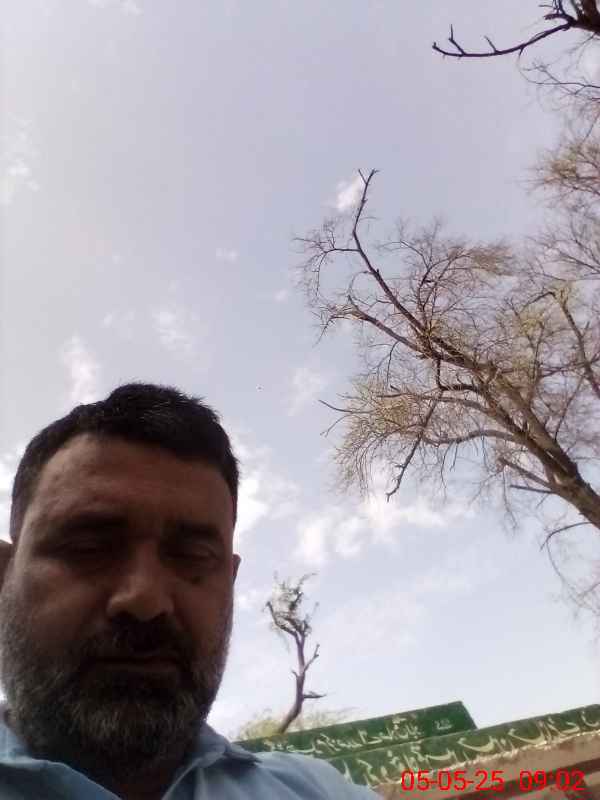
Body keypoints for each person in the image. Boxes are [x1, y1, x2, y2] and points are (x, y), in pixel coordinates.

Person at [0, 383, 379, 799]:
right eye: (88, 548)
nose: (145, 600)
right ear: (4, 575)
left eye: (193, 556)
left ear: (229, 584)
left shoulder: (316, 791)